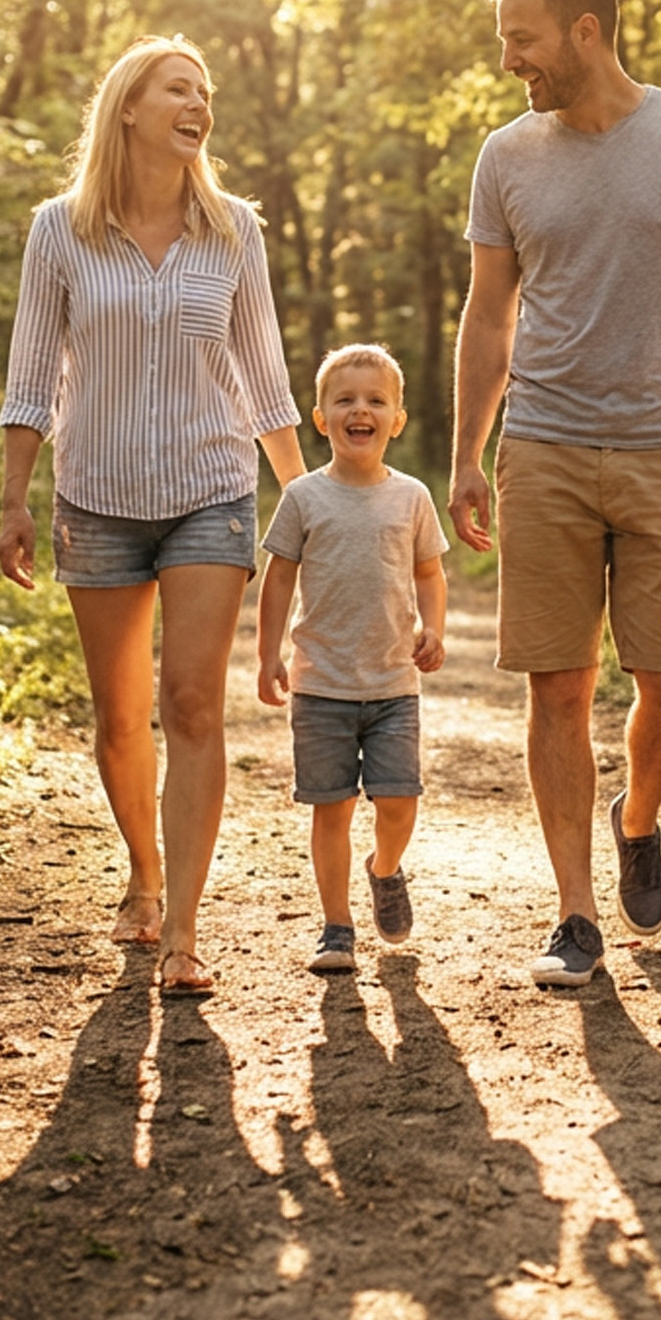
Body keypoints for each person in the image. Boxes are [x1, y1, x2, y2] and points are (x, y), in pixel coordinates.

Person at [449, 0, 661, 988]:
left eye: (524, 39)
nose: (514, 62)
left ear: (584, 30)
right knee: (558, 685)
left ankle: (635, 815)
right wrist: (466, 451)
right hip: (542, 443)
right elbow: (487, 314)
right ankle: (575, 913)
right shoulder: (505, 155)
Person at [0, 34, 306, 998]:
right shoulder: (61, 228)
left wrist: (308, 501)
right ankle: (140, 869)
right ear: (129, 106)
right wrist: (14, 494)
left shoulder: (234, 231)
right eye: (179, 87)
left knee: (192, 706)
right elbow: (32, 371)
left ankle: (183, 928)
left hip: (212, 491)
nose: (197, 103)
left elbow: (264, 375)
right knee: (121, 720)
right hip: (97, 497)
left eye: (205, 91)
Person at [256, 343, 449, 974]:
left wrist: (434, 626)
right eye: (345, 400)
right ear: (320, 418)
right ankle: (336, 926)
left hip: (394, 683)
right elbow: (279, 578)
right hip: (322, 687)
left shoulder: (412, 497)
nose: (359, 410)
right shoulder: (304, 498)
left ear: (397, 419)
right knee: (330, 808)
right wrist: (268, 654)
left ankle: (385, 867)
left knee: (400, 802)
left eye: (375, 401)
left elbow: (429, 572)